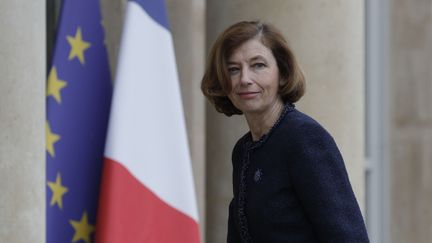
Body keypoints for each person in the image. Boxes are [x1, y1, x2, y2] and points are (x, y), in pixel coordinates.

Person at [201, 20, 370, 242]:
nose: (244, 79)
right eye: (233, 69)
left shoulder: (304, 138)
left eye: (258, 65)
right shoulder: (243, 151)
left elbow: (349, 238)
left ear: (282, 74)